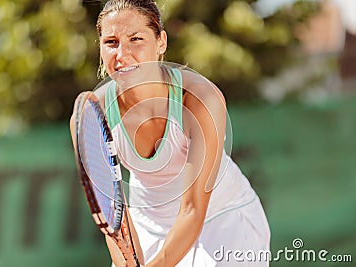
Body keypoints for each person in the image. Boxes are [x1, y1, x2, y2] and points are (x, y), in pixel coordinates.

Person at [72, 0, 270, 266]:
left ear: (161, 42)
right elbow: (114, 220)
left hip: (223, 219)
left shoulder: (200, 99)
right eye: (111, 42)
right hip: (147, 226)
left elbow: (193, 209)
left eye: (136, 38)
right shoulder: (91, 118)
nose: (123, 54)